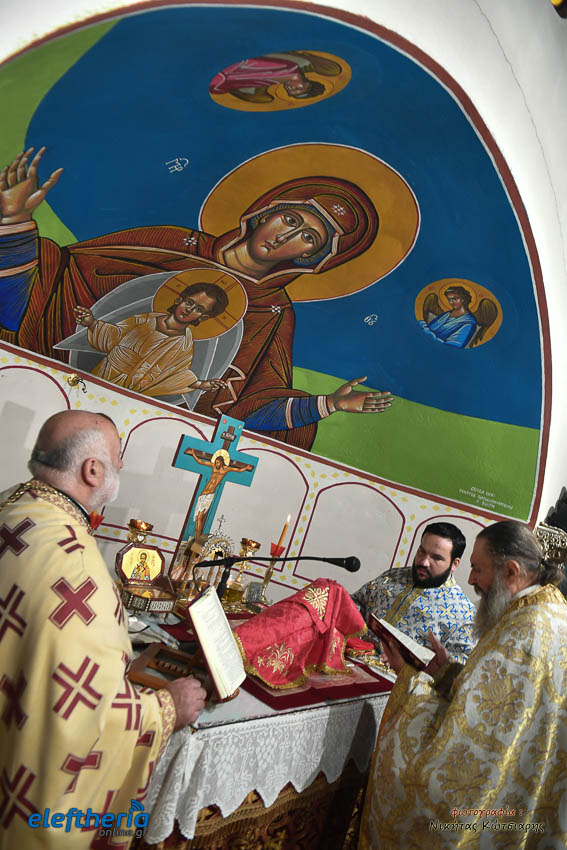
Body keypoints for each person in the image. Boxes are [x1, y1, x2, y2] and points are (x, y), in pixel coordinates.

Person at [0, 147, 392, 449]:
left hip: (140, 438)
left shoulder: (272, 313)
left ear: (313, 257)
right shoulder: (169, 244)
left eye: (307, 237)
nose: (285, 237)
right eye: (290, 220)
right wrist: (14, 223)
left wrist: (329, 404)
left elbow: (251, 405)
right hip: (47, 395)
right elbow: (40, 300)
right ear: (266, 212)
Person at [0, 410, 207, 849]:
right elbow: (79, 716)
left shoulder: (11, 506)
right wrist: (166, 709)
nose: (123, 464)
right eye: (117, 455)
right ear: (92, 470)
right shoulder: (77, 570)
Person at [359, 520, 567, 848]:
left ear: (511, 571)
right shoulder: (548, 610)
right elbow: (493, 708)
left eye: (477, 569)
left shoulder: (523, 635)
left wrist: (407, 675)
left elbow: (469, 745)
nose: (471, 580)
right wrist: (446, 673)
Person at [73, 282, 229, 397]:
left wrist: (201, 384)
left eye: (198, 309)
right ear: (178, 300)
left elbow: (175, 374)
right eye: (189, 302)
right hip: (104, 372)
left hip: (130, 391)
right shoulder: (145, 320)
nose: (189, 309)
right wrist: (91, 323)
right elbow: (113, 336)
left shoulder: (183, 345)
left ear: (203, 317)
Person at [352, 522, 476, 663]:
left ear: (454, 564)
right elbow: (356, 603)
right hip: (351, 658)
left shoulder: (464, 614)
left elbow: (459, 666)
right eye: (422, 551)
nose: (424, 562)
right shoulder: (394, 576)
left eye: (436, 558)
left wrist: (414, 662)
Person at [209, 50, 342, 104]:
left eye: (290, 92)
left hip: (224, 78)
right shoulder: (289, 68)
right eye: (297, 89)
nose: (290, 89)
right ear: (307, 83)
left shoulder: (275, 81)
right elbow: (249, 65)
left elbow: (244, 81)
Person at [189, 448, 253, 539]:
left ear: (222, 462)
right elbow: (200, 461)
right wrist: (193, 453)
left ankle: (197, 539)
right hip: (203, 495)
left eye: (218, 463)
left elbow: (237, 470)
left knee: (199, 518)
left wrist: (246, 468)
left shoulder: (225, 469)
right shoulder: (213, 466)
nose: (216, 464)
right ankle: (196, 538)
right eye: (216, 462)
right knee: (197, 519)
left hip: (209, 496)